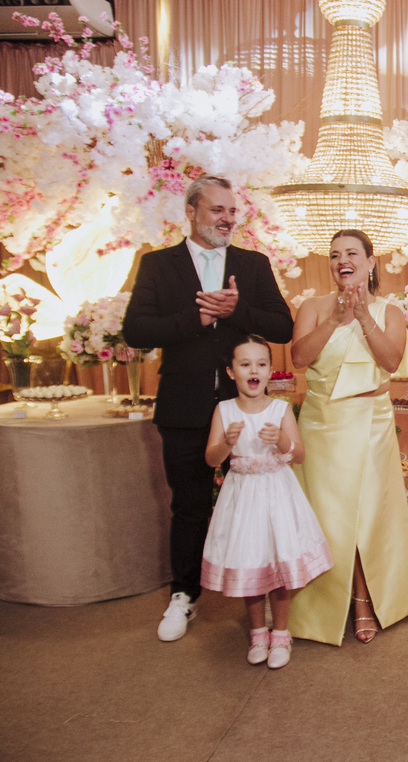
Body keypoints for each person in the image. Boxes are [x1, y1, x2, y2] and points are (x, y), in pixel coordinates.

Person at [123, 175, 295, 642]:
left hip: (248, 409)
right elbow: (135, 330)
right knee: (190, 505)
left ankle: (262, 591)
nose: (227, 219)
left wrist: (236, 311)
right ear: (191, 211)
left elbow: (282, 326)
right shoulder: (158, 265)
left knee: (260, 500)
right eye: (218, 210)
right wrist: (195, 318)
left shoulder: (253, 264)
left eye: (232, 211)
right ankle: (184, 594)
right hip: (184, 408)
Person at [288, 229, 408, 645]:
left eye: (351, 253)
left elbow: (391, 360)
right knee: (326, 514)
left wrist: (364, 317)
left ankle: (364, 600)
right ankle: (322, 600)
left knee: (368, 513)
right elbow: (298, 358)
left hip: (371, 423)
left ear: (369, 262)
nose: (341, 260)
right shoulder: (312, 307)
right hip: (322, 424)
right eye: (334, 255)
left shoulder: (390, 312)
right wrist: (334, 319)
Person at [201, 334, 333, 669]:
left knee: (279, 562)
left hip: (277, 496)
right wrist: (227, 442)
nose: (253, 370)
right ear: (231, 372)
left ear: (270, 370)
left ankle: (281, 634)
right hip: (242, 499)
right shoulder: (224, 410)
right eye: (245, 364)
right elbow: (212, 459)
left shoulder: (280, 409)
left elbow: (299, 455)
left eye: (261, 364)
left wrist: (283, 440)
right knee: (250, 562)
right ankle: (258, 633)